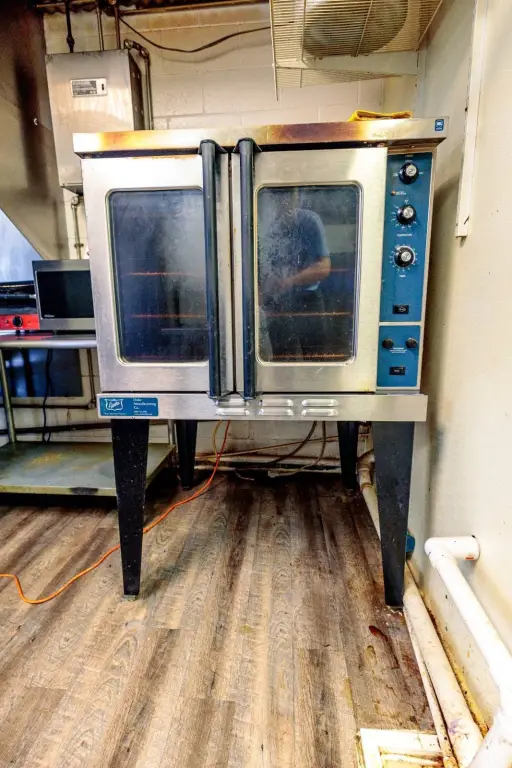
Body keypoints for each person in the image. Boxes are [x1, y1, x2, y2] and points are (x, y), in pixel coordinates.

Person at [258, 194, 331, 362]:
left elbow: (324, 267)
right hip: (276, 302)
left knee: (315, 359)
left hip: (308, 301)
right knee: (282, 360)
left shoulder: (309, 221)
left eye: (289, 198)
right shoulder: (265, 224)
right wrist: (261, 293)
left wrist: (289, 281)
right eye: (277, 199)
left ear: (297, 198)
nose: (283, 204)